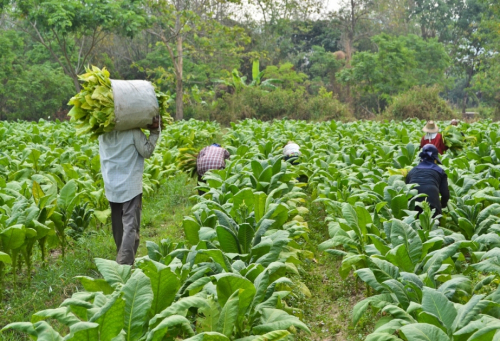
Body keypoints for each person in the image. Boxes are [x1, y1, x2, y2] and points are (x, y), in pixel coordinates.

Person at [99, 116, 161, 265]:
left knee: (118, 227)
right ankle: (124, 265)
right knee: (130, 227)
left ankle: (123, 257)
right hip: (130, 186)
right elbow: (147, 151)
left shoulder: (102, 133)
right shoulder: (133, 132)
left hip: (111, 186)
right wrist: (154, 132)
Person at [405, 144, 450, 217]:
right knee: (433, 225)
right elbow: (445, 194)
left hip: (413, 203)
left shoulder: (412, 171)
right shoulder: (440, 171)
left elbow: (406, 189)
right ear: (435, 159)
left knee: (413, 225)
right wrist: (442, 206)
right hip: (432, 201)